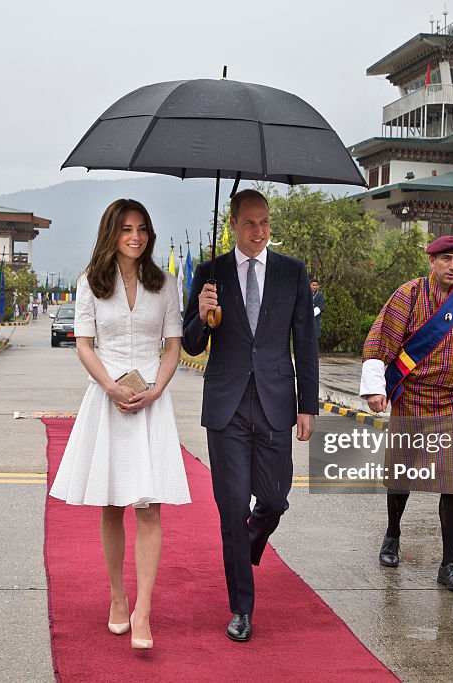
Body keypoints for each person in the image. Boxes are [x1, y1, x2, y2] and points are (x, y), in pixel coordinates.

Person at [49, 199, 190, 651]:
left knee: (149, 508)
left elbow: (173, 347)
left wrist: (154, 389)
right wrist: (110, 386)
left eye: (143, 229)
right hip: (107, 400)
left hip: (151, 402)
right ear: (111, 232)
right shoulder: (90, 284)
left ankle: (143, 610)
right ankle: (117, 595)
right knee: (111, 504)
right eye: (127, 228)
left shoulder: (165, 283)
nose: (135, 236)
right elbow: (84, 345)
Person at [182, 189, 318, 642]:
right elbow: (192, 344)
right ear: (234, 225)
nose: (258, 231)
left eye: (264, 223)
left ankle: (251, 542)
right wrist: (202, 316)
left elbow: (306, 341)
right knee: (231, 509)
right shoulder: (211, 272)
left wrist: (307, 404)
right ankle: (241, 607)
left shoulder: (291, 273)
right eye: (249, 223)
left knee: (275, 500)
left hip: (277, 402)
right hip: (227, 407)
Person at [360, 235, 453, 593]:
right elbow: (381, 338)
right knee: (401, 472)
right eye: (446, 259)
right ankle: (392, 534)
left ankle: (448, 563)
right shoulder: (409, 294)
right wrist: (376, 388)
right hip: (413, 396)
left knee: (452, 483)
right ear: (431, 261)